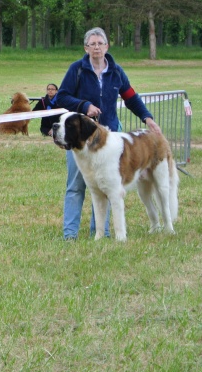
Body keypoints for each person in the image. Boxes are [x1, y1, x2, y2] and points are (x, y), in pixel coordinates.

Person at [54, 27, 162, 241]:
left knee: (108, 186)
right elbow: (62, 97)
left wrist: (147, 117)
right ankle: (70, 235)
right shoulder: (76, 70)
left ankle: (100, 232)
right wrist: (84, 106)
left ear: (107, 46)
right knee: (76, 186)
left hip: (109, 139)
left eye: (100, 43)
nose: (96, 47)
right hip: (80, 138)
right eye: (92, 44)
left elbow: (131, 97)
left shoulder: (116, 71)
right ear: (86, 48)